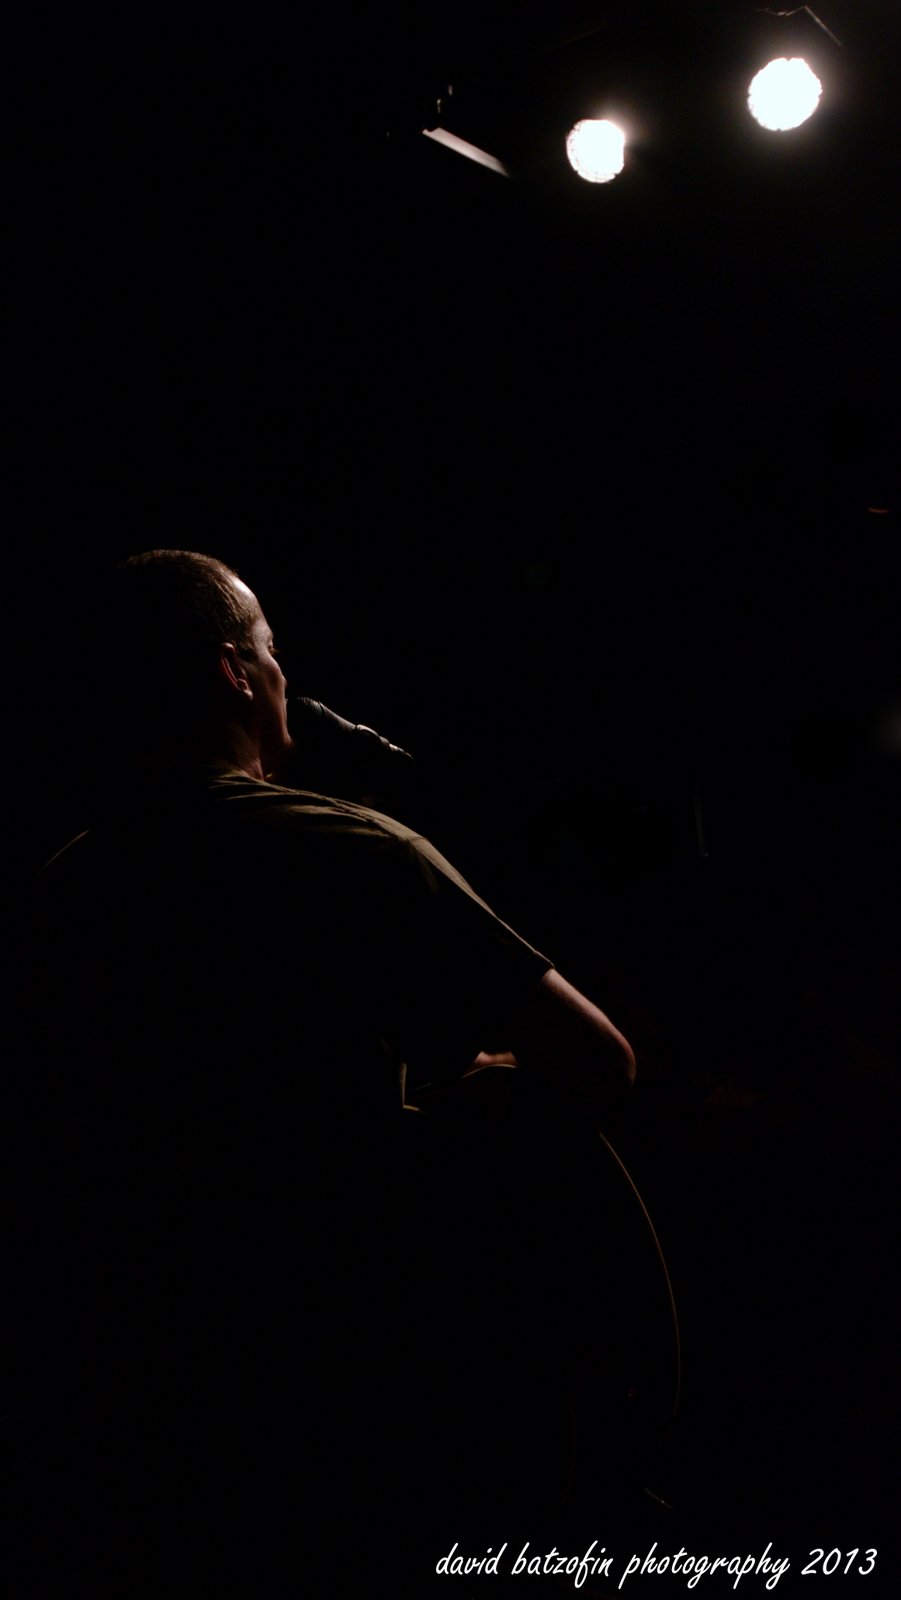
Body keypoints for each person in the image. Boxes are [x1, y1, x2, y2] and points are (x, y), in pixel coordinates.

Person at [15, 549, 636, 1593]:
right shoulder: (362, 853)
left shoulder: (60, 887)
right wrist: (463, 1114)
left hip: (136, 1402)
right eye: (270, 649)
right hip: (353, 1374)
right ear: (233, 672)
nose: (283, 674)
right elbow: (599, 1061)